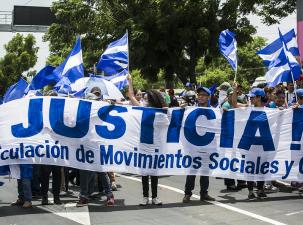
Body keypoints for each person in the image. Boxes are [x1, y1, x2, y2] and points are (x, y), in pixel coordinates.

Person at [127, 74, 166, 206]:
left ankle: (155, 197)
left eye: (146, 98)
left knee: (154, 173)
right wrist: (130, 81)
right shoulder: (143, 110)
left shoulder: (162, 111)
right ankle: (145, 197)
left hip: (156, 145)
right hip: (143, 144)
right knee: (144, 173)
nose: (144, 100)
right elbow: (131, 97)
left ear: (152, 99)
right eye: (143, 98)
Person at [76, 87, 115, 207]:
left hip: (97, 144)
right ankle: (84, 196)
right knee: (84, 171)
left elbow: (110, 110)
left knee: (101, 171)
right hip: (84, 144)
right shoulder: (81, 113)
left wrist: (111, 105)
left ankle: (109, 195)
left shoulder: (100, 112)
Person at [182, 87, 215, 203]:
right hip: (194, 146)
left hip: (207, 146)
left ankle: (204, 193)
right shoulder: (191, 110)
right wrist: (182, 110)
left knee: (205, 171)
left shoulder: (214, 111)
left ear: (208, 97)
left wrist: (225, 113)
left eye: (204, 95)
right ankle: (187, 193)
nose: (201, 96)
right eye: (199, 94)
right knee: (192, 171)